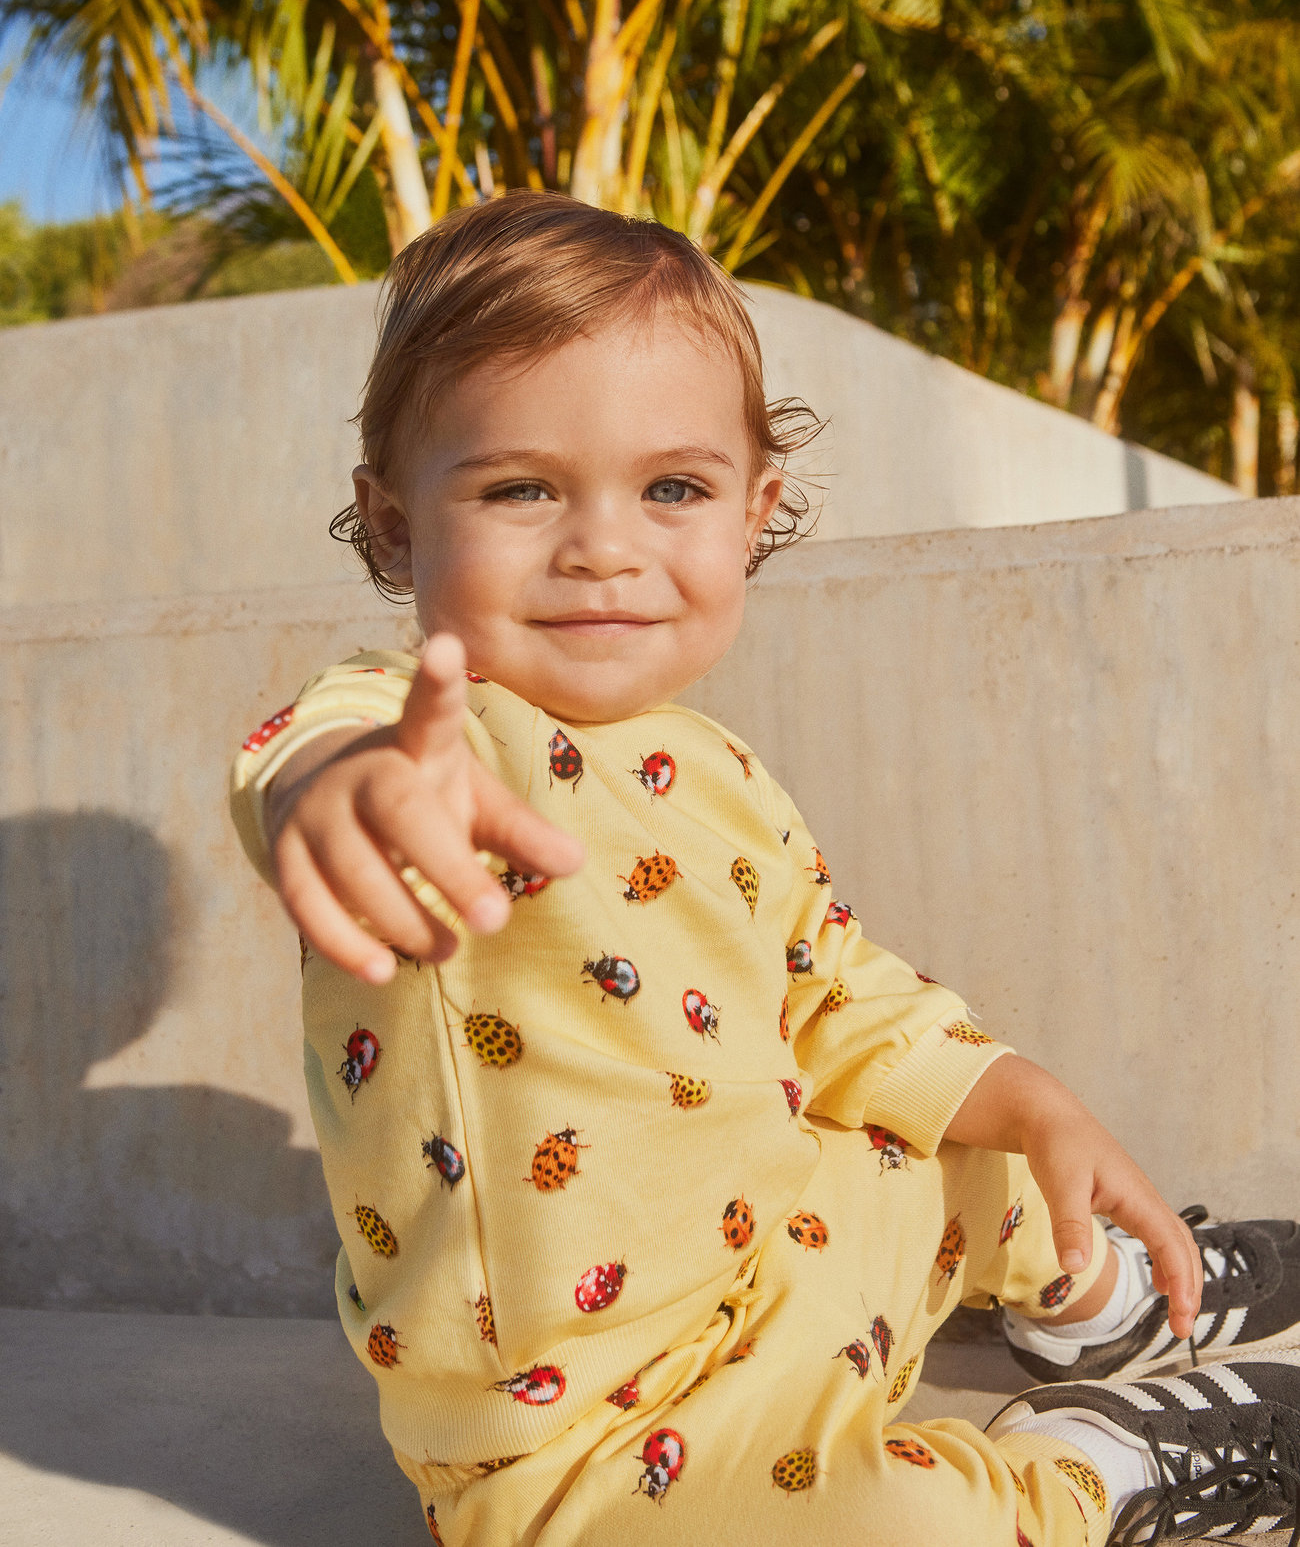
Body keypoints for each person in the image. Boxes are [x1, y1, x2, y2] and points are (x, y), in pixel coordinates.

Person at [230, 192, 1300, 1547]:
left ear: (754, 512)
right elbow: (309, 752)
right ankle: (1097, 1458)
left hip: (779, 1256)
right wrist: (339, 797)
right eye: (520, 489)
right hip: (586, 1445)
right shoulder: (429, 728)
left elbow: (834, 988)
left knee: (951, 1138)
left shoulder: (720, 772)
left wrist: (1028, 1097)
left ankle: (1097, 1290)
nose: (603, 546)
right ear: (393, 527)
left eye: (671, 489)